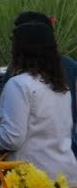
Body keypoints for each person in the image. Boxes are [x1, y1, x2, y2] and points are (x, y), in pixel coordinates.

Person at [0, 21, 77, 183]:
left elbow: (11, 138)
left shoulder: (19, 85)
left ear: (20, 50)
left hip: (34, 175)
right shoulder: (61, 87)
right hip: (66, 174)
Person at [16, 11, 77, 156]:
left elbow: (13, 133)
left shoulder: (16, 76)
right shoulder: (71, 66)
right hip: (68, 145)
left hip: (33, 154)